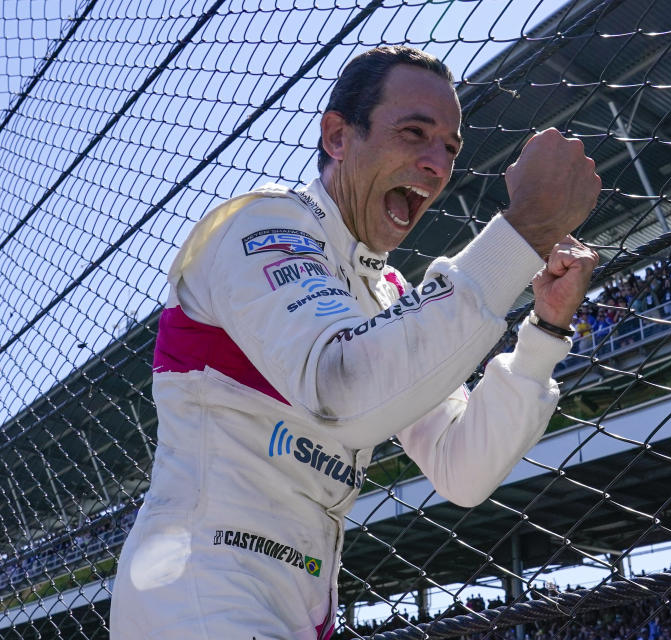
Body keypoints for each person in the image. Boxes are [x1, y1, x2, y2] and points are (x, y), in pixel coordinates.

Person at [109, 45, 601, 639]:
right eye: (414, 132)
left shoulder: (386, 292)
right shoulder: (261, 223)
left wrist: (543, 335)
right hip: (195, 583)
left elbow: (461, 467)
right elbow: (339, 390)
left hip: (299, 603)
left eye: (449, 147)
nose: (435, 164)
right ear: (338, 137)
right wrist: (520, 234)